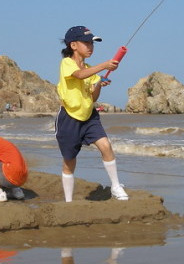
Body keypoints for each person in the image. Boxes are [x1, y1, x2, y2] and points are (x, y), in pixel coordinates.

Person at [55, 26, 129, 201]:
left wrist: (98, 84)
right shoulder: (67, 63)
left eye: (92, 43)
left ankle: (116, 186)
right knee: (69, 161)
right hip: (69, 118)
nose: (90, 47)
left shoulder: (90, 69)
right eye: (86, 43)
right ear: (73, 45)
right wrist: (104, 65)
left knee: (105, 145)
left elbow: (93, 97)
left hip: (89, 116)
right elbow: (79, 75)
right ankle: (68, 201)